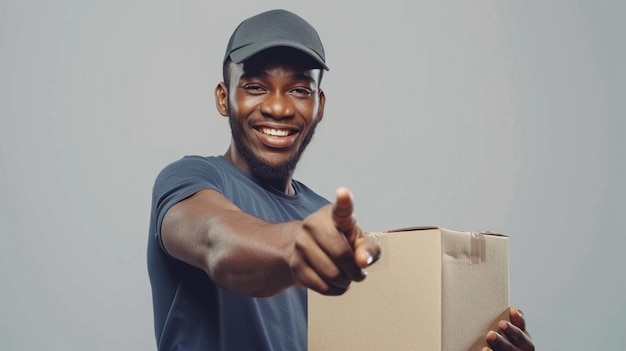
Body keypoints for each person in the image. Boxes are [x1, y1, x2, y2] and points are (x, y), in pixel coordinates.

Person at [147, 9, 534, 351]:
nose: (279, 107)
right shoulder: (191, 180)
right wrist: (295, 247)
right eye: (255, 87)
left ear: (319, 106)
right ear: (223, 98)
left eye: (300, 90)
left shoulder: (326, 219)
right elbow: (216, 240)